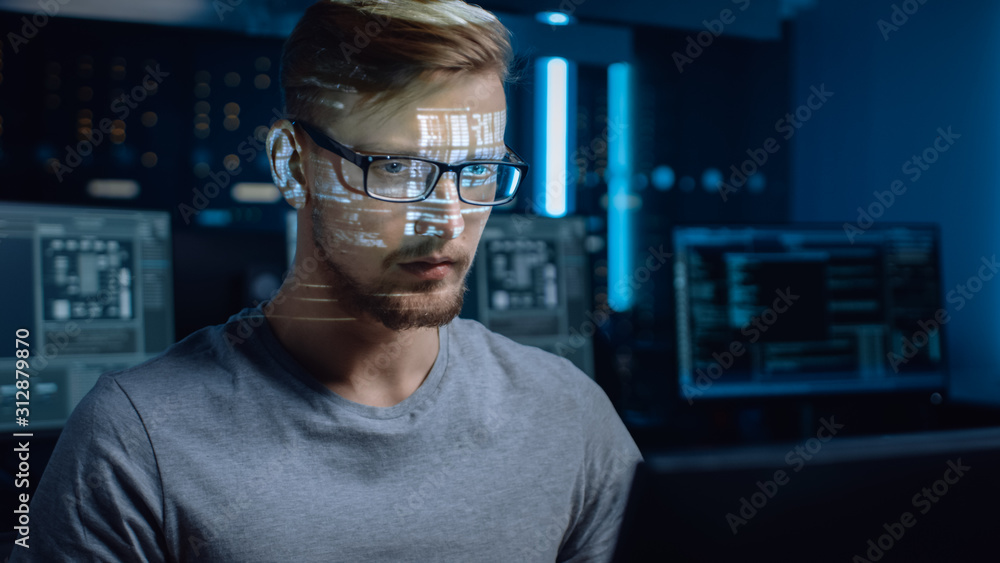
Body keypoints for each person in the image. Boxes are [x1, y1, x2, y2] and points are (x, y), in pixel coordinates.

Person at [14, 1, 642, 561]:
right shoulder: (137, 439)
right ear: (293, 164)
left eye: (477, 171)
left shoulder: (566, 414)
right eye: (397, 168)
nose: (447, 220)